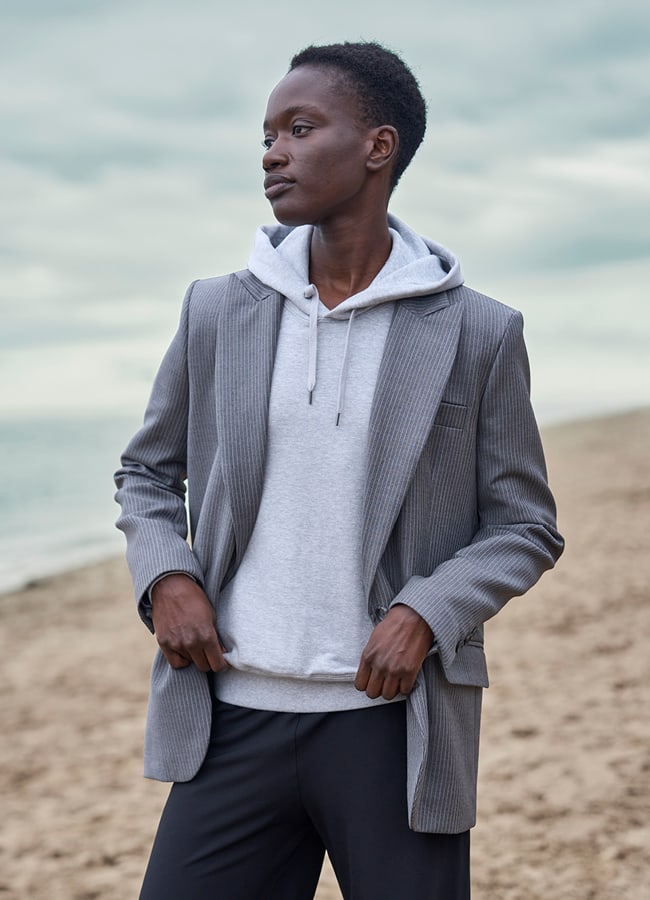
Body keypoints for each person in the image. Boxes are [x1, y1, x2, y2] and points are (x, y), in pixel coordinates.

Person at [115, 40, 564, 900]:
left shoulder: (479, 332)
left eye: (299, 127)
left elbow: (525, 525)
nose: (272, 152)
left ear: (377, 147)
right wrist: (167, 577)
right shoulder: (217, 310)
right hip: (230, 718)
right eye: (266, 135)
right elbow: (145, 473)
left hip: (392, 727)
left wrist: (429, 611)